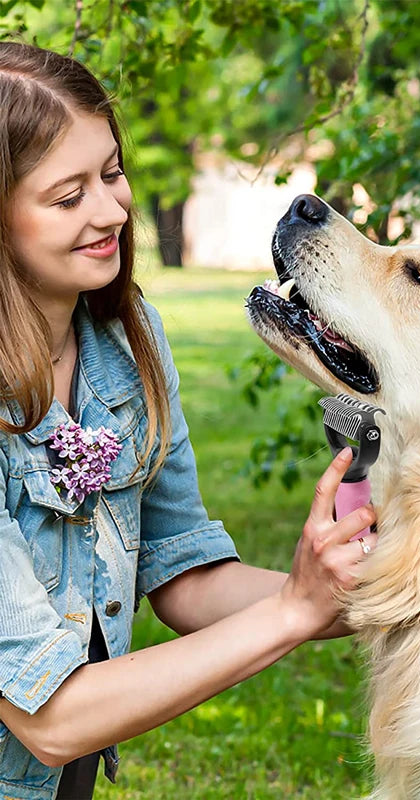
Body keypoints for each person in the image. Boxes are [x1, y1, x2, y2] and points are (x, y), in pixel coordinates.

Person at [0, 41, 378, 800]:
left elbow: (184, 575)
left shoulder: (123, 338)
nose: (112, 209)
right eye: (68, 196)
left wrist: (372, 591)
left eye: (111, 173)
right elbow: (51, 717)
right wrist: (293, 612)